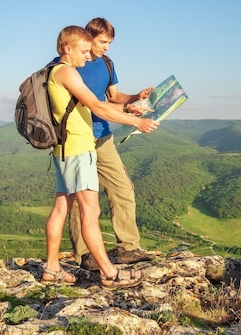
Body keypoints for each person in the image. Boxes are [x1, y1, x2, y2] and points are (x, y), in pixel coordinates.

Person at [41, 25, 159, 288]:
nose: (87, 56)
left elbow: (107, 100)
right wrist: (134, 122)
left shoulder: (57, 71)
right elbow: (96, 105)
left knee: (62, 208)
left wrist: (130, 105)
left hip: (64, 148)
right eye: (84, 50)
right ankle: (109, 272)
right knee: (90, 210)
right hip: (78, 147)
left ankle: (51, 269)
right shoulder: (67, 72)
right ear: (68, 48)